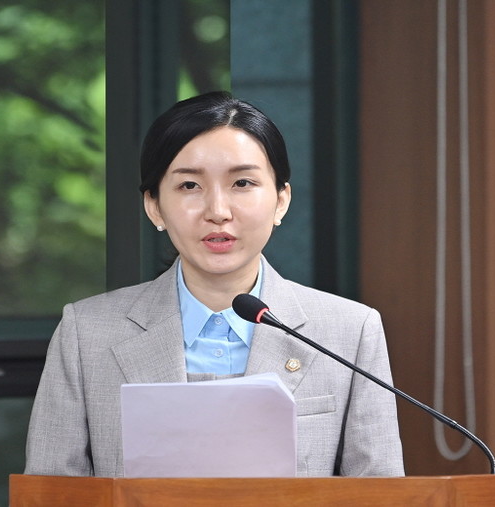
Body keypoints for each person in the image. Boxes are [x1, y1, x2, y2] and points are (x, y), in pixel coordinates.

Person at [24, 91, 404, 477]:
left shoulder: (350, 332)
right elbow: (50, 494)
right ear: (154, 206)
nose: (218, 212)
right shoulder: (86, 334)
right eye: (190, 186)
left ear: (280, 201)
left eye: (242, 182)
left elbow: (381, 494)